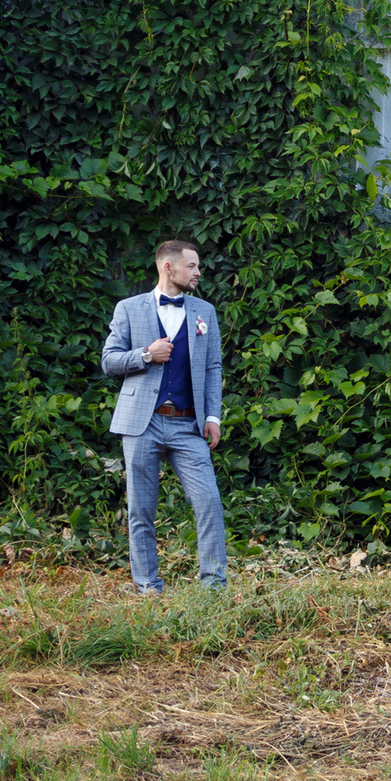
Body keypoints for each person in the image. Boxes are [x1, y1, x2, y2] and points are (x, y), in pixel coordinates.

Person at [101, 238, 227, 595]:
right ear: (168, 267)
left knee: (209, 503)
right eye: (192, 266)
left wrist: (213, 416)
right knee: (141, 509)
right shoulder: (128, 308)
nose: (198, 272)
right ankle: (147, 588)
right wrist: (145, 354)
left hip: (188, 424)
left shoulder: (205, 312)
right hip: (142, 422)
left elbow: (213, 366)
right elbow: (109, 361)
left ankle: (214, 588)